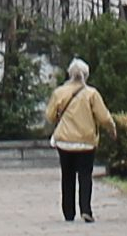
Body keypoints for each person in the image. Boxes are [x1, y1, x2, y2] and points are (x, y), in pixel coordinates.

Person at [44, 58, 115, 224]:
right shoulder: (92, 94)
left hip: (65, 142)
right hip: (86, 142)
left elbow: (50, 116)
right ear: (86, 75)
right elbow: (104, 117)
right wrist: (112, 129)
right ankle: (86, 210)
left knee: (67, 176)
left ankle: (68, 212)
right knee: (85, 176)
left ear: (69, 74)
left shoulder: (59, 93)